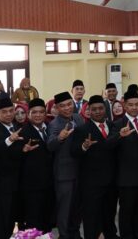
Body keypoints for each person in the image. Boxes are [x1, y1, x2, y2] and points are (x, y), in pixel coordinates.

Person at [72, 96, 118, 239]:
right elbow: (74, 152)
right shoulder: (82, 129)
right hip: (91, 182)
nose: (98, 111)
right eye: (94, 109)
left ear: (105, 109)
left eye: (100, 108)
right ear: (89, 111)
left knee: (109, 213)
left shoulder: (113, 126)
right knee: (92, 215)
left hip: (111, 180)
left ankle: (110, 235)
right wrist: (84, 146)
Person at [109, 91, 138, 239]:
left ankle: (137, 232)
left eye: (137, 104)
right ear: (125, 106)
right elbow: (109, 145)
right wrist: (120, 135)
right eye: (130, 105)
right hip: (126, 175)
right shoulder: (117, 124)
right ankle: (126, 235)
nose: (134, 107)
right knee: (126, 209)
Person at [47, 91, 85, 239]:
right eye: (62, 106)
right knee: (65, 208)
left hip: (80, 170)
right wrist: (60, 138)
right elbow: (50, 145)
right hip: (64, 174)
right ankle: (64, 235)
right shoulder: (54, 124)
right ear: (57, 108)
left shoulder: (78, 118)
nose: (67, 108)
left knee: (77, 206)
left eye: (69, 104)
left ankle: (75, 233)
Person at [0, 98, 25, 239]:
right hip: (2, 185)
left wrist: (24, 149)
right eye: (4, 112)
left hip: (18, 182)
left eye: (11, 111)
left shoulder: (16, 126)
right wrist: (9, 140)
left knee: (13, 220)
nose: (8, 114)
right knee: (1, 222)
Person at [18, 98, 54, 233]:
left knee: (47, 220)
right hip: (31, 186)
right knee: (33, 222)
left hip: (49, 183)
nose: (38, 115)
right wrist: (23, 150)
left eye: (41, 112)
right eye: (34, 112)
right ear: (28, 114)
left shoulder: (50, 128)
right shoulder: (22, 132)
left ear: (45, 114)